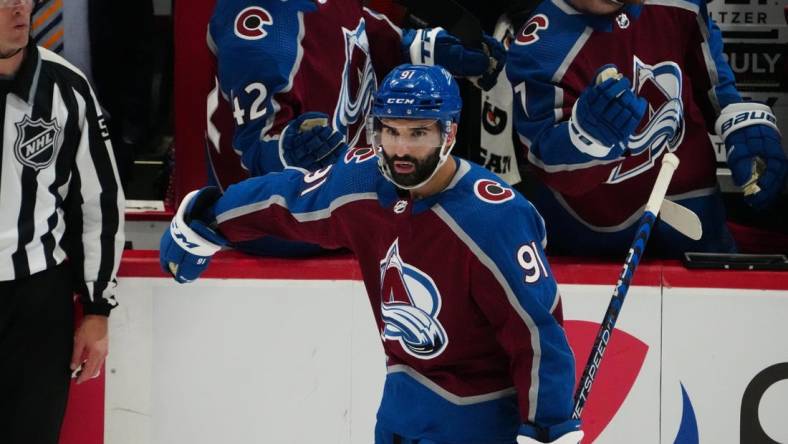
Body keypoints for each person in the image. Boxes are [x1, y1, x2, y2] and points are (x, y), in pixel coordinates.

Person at [160, 64, 582, 444]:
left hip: (479, 416)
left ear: (449, 133)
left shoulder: (493, 217)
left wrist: (548, 427)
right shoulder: (362, 181)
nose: (399, 148)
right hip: (401, 407)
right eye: (390, 131)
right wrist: (209, 219)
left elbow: (536, 332)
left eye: (418, 133)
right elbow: (287, 200)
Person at [204, 0, 505, 256]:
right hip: (289, 230)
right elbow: (256, 157)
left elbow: (359, 31)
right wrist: (290, 149)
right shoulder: (261, 32)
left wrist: (431, 50)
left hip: (344, 198)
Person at [505, 0, 788, 257]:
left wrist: (741, 121)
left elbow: (712, 82)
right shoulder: (540, 45)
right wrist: (585, 138)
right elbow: (544, 160)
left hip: (692, 206)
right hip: (590, 232)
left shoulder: (682, 4)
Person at [0, 1, 125, 443]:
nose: (18, 7)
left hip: (35, 303)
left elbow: (101, 202)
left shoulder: (67, 86)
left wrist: (97, 308)